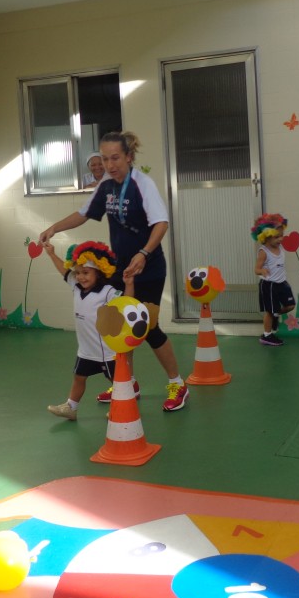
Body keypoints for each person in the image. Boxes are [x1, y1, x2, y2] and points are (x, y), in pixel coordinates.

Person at [39, 130, 189, 411]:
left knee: (148, 327)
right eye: (105, 159)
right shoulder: (106, 186)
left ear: (129, 157)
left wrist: (144, 253)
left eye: (115, 158)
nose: (109, 165)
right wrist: (54, 228)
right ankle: (127, 382)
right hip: (120, 268)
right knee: (118, 326)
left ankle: (177, 384)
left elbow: (161, 223)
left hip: (149, 268)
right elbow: (84, 213)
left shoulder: (142, 184)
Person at [43, 240, 131, 421]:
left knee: (117, 381)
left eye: (86, 273)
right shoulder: (76, 286)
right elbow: (63, 271)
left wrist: (129, 284)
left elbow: (126, 303)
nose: (81, 277)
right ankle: (71, 408)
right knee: (79, 378)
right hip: (86, 350)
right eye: (78, 273)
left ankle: (126, 407)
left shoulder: (107, 291)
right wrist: (51, 254)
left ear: (98, 271)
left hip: (106, 351)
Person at [252, 213, 296, 346]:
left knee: (290, 305)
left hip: (282, 283)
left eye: (281, 235)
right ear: (266, 237)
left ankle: (276, 314)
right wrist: (262, 271)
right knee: (269, 311)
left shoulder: (280, 247)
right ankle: (267, 336)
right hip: (269, 285)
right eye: (276, 237)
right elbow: (256, 269)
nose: (280, 239)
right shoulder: (263, 252)